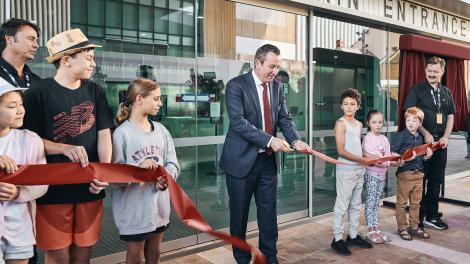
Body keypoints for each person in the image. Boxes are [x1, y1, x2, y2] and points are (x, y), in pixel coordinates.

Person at [22, 28, 114, 264]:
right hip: (51, 188)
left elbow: (104, 134)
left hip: (90, 186)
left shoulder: (96, 91)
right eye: (88, 58)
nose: (93, 64)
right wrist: (62, 148)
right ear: (66, 60)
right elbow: (26, 140)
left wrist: (104, 170)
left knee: (84, 252)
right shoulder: (36, 93)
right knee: (57, 253)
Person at [219, 44, 311, 264]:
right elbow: (239, 123)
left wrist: (295, 140)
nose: (275, 72)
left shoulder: (277, 87)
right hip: (241, 162)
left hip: (267, 162)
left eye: (278, 67)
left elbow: (284, 119)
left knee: (268, 215)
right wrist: (270, 140)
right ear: (257, 63)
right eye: (271, 66)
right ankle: (242, 259)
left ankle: (270, 258)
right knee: (239, 217)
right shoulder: (235, 86)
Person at [112, 78, 180, 264]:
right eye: (156, 98)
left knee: (155, 253)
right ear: (140, 99)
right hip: (134, 210)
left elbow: (173, 163)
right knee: (135, 257)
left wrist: (166, 176)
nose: (160, 103)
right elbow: (115, 177)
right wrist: (137, 171)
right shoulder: (121, 134)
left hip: (158, 207)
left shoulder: (161, 130)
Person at [403, 56, 456, 230]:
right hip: (422, 143)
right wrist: (425, 133)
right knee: (420, 181)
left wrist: (446, 137)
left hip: (441, 144)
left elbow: (450, 116)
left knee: (436, 182)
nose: (431, 74)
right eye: (429, 71)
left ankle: (432, 216)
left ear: (442, 72)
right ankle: (417, 219)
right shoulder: (416, 90)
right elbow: (410, 115)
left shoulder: (447, 92)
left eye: (435, 71)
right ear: (425, 71)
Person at [0, 77, 47, 264]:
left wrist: (18, 192)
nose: (20, 110)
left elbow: (42, 184)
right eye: (12, 106)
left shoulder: (30, 140)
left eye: (21, 104)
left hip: (20, 228)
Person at [331, 88, 373, 256]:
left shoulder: (359, 125)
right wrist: (363, 160)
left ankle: (353, 236)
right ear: (342, 106)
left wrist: (371, 157)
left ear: (358, 106)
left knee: (356, 204)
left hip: (359, 170)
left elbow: (358, 148)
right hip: (346, 170)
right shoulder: (340, 123)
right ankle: (337, 239)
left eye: (352, 104)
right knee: (342, 205)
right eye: (346, 104)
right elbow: (341, 151)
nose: (349, 107)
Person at [391, 107, 433, 240]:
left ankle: (414, 227)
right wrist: (404, 158)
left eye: (415, 120)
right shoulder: (400, 136)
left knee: (416, 203)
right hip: (405, 174)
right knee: (402, 203)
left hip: (419, 175)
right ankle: (402, 228)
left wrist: (427, 157)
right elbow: (393, 154)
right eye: (408, 120)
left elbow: (421, 157)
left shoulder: (421, 138)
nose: (411, 123)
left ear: (420, 123)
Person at [362, 109, 398, 244]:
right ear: (368, 123)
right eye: (374, 122)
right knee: (370, 203)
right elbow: (376, 161)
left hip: (382, 176)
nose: (377, 125)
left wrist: (391, 161)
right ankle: (370, 230)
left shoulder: (384, 139)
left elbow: (386, 157)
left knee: (377, 203)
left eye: (380, 122)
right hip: (372, 175)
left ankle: (377, 229)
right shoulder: (368, 138)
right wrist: (392, 162)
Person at [0, 19, 41, 89]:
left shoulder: (38, 82)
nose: (36, 45)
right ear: (9, 39)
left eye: (36, 41)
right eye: (31, 39)